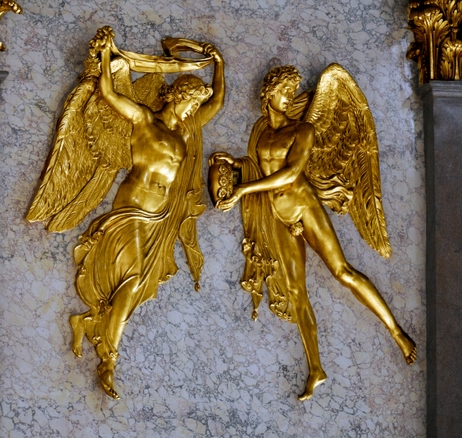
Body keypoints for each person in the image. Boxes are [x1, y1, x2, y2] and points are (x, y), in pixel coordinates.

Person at [213, 66, 416, 401]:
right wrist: (237, 166)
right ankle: (316, 369)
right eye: (283, 91)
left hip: (304, 207)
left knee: (343, 271)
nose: (288, 97)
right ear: (268, 93)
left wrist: (243, 189)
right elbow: (262, 168)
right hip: (279, 216)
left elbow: (291, 172)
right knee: (296, 292)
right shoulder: (261, 131)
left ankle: (396, 332)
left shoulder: (303, 129)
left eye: (292, 92)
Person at [69, 28, 225, 399]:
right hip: (134, 207)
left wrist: (219, 64)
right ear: (178, 95)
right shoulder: (142, 119)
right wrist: (105, 56)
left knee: (139, 285)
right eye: (190, 104)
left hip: (161, 216)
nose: (192, 112)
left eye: (194, 108)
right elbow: (109, 94)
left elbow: (216, 104)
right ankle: (109, 359)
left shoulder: (183, 134)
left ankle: (89, 321)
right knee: (134, 278)